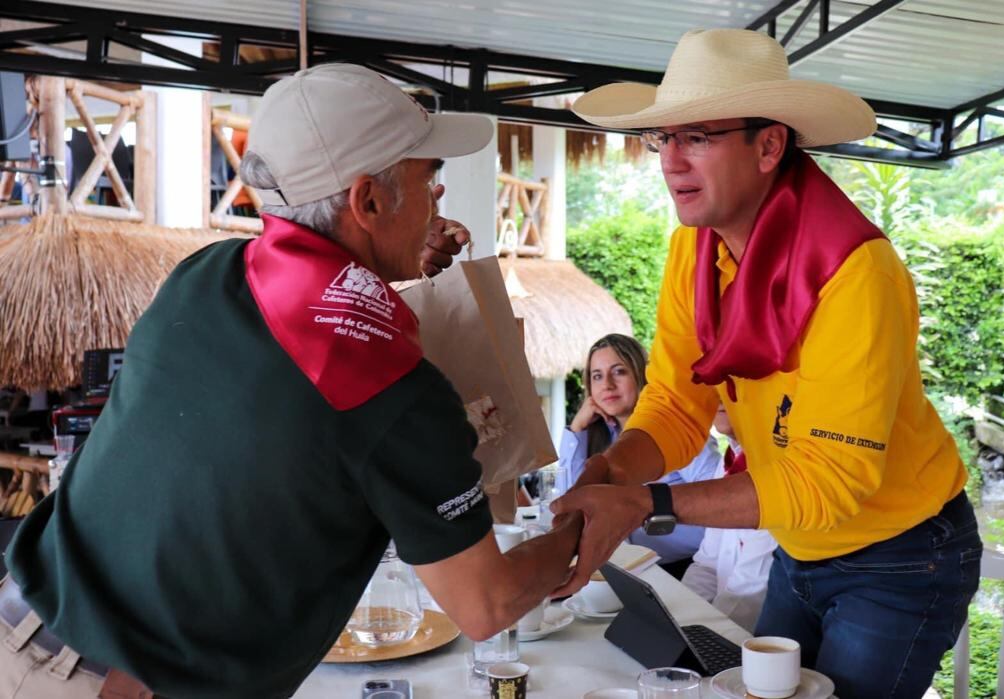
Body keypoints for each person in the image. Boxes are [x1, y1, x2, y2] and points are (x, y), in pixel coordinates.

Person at [2, 64, 582, 699]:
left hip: (18, 624)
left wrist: (379, 260)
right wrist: (582, 528)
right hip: (102, 686)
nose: (438, 195)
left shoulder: (205, 275)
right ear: (368, 202)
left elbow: (305, 322)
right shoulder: (396, 392)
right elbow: (486, 604)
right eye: (428, 178)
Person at [551, 28, 982, 698]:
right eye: (663, 138)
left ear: (769, 145)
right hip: (799, 541)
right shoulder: (694, 251)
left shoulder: (855, 272)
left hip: (900, 553)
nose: (671, 161)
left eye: (697, 136)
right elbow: (676, 402)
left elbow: (831, 478)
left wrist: (644, 501)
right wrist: (612, 470)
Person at [559, 333, 717, 576]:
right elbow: (569, 504)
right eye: (597, 376)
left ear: (642, 375)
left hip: (683, 570)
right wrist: (577, 429)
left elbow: (718, 493)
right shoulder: (602, 436)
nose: (607, 384)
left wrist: (652, 505)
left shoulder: (673, 429)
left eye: (619, 372)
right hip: (625, 570)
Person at [681, 404, 776, 632]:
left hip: (762, 638)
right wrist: (677, 618)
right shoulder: (730, 460)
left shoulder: (776, 467)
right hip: (727, 624)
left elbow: (750, 590)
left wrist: (699, 638)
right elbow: (707, 564)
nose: (722, 394)